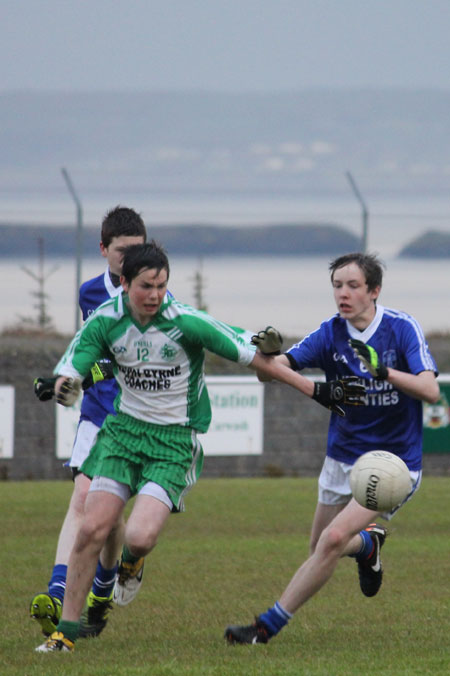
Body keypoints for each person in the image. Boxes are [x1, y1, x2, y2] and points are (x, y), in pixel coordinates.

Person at [34, 242, 366, 653]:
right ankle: (64, 633)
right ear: (123, 284)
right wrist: (65, 384)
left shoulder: (186, 322)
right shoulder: (105, 321)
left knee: (138, 536)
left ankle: (132, 563)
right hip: (122, 436)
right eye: (145, 286)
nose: (155, 295)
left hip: (173, 443)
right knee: (92, 528)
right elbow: (73, 367)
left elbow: (254, 357)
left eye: (161, 285)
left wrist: (315, 390)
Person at [224, 251, 440, 645]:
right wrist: (266, 358)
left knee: (331, 541)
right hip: (342, 458)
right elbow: (274, 374)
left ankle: (264, 628)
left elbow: (429, 389)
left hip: (391, 464)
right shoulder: (330, 333)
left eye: (353, 285)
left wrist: (384, 372)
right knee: (320, 547)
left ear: (374, 291)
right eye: (337, 285)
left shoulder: (401, 328)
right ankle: (368, 546)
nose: (343, 293)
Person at [30, 205, 147, 639]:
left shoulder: (153, 294)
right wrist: (64, 379)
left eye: (138, 250)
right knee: (82, 500)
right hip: (98, 414)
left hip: (141, 417)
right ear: (103, 250)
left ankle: (102, 585)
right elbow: (90, 348)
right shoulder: (89, 293)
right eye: (122, 252)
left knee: (111, 517)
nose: (130, 260)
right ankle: (58, 592)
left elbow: (129, 359)